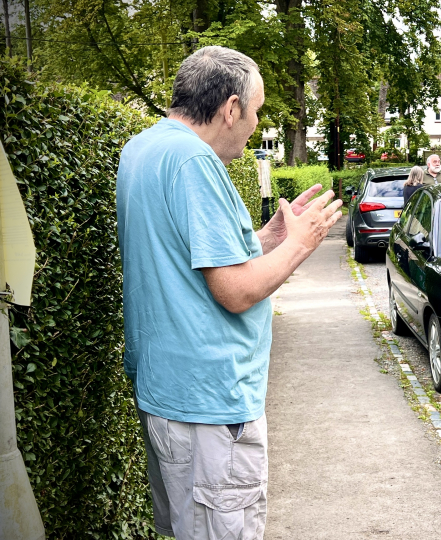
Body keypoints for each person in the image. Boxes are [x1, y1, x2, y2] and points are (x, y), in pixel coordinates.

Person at [116, 46, 341, 539]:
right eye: (256, 111)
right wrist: (302, 244)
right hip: (208, 405)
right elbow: (235, 291)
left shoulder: (145, 148)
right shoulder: (195, 162)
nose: (256, 124)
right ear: (231, 108)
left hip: (170, 393)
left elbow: (187, 257)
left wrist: (270, 239)